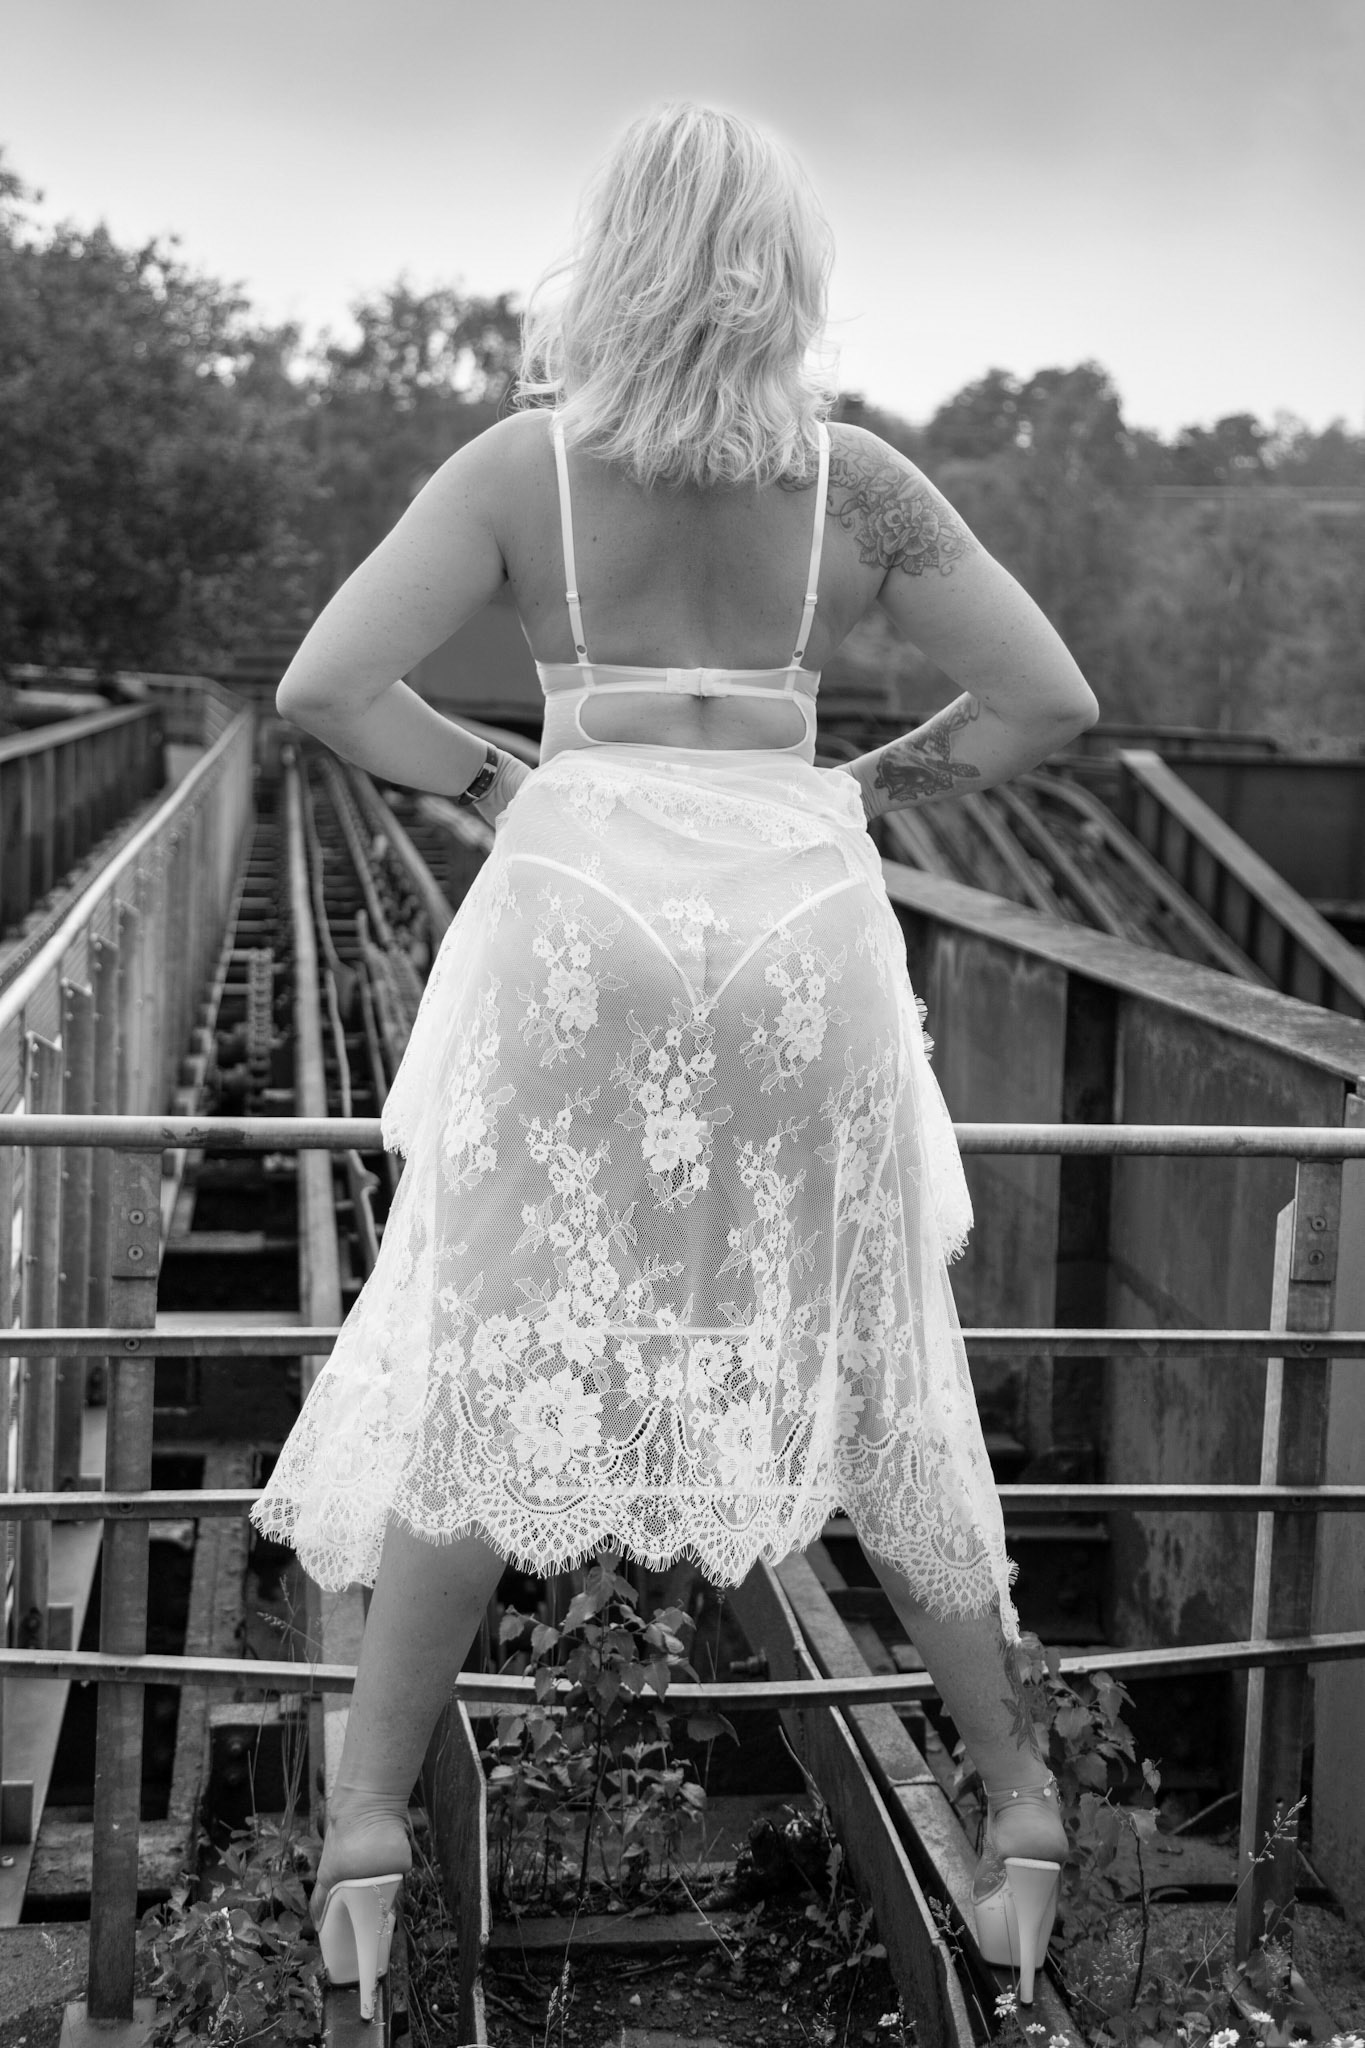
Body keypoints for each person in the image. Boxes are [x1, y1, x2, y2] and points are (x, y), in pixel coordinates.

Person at [253, 101, 1096, 2014]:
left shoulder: (522, 466)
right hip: (797, 928)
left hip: (580, 916)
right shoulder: (857, 486)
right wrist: (862, 783)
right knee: (872, 1351)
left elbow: (325, 685)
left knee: (499, 1341)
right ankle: (1018, 1806)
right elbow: (1045, 698)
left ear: (610, 260)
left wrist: (495, 778)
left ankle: (366, 1829)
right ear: (785, 276)